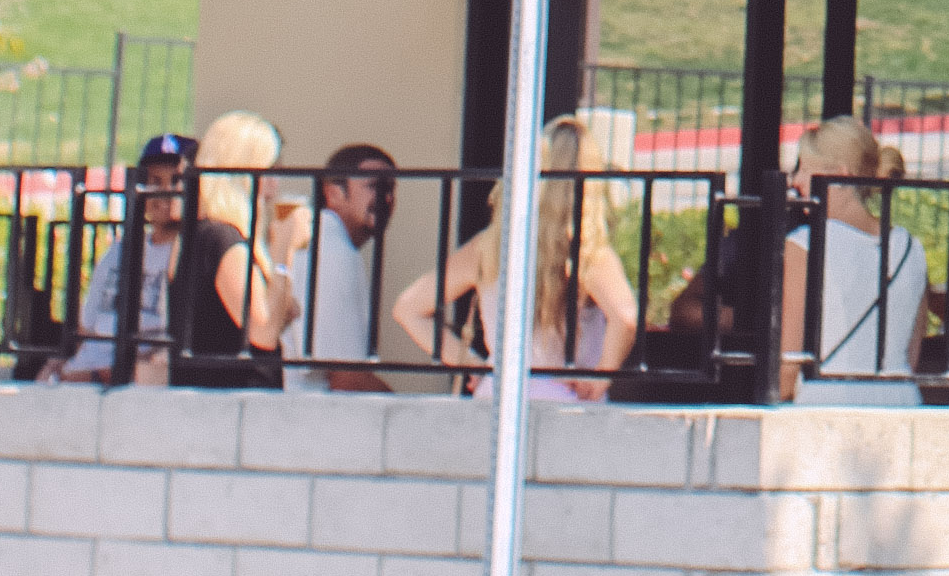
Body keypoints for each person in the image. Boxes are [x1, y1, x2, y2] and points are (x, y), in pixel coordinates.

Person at [393, 112, 639, 400]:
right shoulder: (588, 251)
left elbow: (408, 308)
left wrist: (471, 363)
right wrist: (600, 377)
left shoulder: (491, 245)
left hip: (501, 392)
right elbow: (625, 317)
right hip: (565, 398)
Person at [777, 114, 929, 406]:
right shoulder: (910, 247)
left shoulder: (804, 245)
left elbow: (788, 362)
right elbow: (911, 354)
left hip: (830, 401)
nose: (795, 181)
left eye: (804, 169)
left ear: (839, 175)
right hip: (901, 401)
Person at [47, 131, 194, 383]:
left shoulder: (190, 255)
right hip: (83, 375)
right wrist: (59, 366)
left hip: (129, 380)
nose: (164, 191)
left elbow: (163, 354)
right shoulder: (119, 251)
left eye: (175, 181)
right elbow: (87, 328)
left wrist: (95, 376)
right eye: (155, 181)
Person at [171, 107, 297, 389]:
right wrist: (284, 247)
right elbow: (263, 334)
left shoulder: (199, 235)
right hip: (234, 399)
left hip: (217, 397)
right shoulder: (224, 241)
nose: (276, 181)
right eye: (272, 167)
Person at [289, 144, 399, 393]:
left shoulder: (323, 239)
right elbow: (348, 378)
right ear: (333, 193)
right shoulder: (332, 250)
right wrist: (409, 411)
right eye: (374, 186)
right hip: (313, 410)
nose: (387, 198)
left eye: (390, 188)